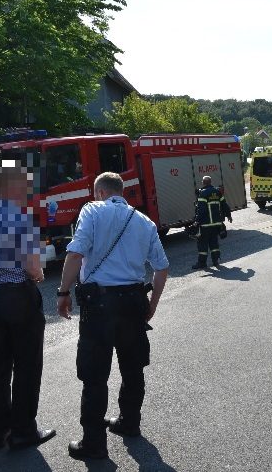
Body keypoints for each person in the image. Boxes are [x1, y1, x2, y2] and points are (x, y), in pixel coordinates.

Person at [56, 172, 169, 460]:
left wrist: (63, 292)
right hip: (133, 301)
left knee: (94, 376)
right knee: (133, 368)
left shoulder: (92, 210)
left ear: (101, 192)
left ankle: (94, 443)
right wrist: (152, 304)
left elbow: (76, 254)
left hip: (100, 305)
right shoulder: (144, 221)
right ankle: (129, 423)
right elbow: (161, 267)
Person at [0, 160, 56, 451]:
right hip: (18, 295)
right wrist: (38, 274)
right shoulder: (18, 217)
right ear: (13, 185)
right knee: (27, 365)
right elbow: (31, 264)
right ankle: (24, 431)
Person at [193, 175, 233, 269]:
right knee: (214, 243)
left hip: (206, 225)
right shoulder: (217, 192)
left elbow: (201, 210)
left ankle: (202, 263)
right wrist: (229, 215)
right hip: (216, 224)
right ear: (210, 182)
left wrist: (196, 221)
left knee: (202, 244)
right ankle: (216, 261)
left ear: (203, 182)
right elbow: (224, 205)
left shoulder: (202, 194)